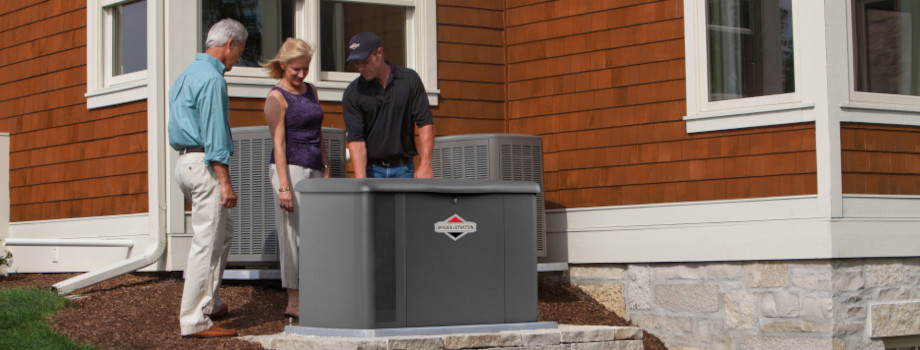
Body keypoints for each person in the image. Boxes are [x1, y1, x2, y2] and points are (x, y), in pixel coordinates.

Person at [168, 18, 247, 338]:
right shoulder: (213, 80)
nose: (238, 58)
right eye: (239, 50)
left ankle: (210, 302)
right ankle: (194, 320)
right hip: (204, 165)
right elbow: (214, 135)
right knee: (205, 241)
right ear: (229, 44)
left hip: (184, 162)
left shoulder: (185, 74)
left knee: (221, 232)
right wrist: (224, 181)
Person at [260, 38, 330, 318]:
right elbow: (279, 144)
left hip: (313, 168)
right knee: (292, 236)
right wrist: (284, 186)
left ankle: (312, 291)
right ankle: (294, 301)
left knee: (313, 233)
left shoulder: (311, 90)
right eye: (296, 69)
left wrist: (325, 165)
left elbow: (318, 130)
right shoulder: (276, 98)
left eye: (306, 68)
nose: (301, 75)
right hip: (289, 169)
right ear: (283, 65)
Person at [342, 32, 434, 178]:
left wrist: (425, 165)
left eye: (365, 61)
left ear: (379, 53)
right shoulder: (353, 93)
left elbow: (425, 123)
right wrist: (361, 182)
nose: (361, 68)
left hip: (405, 168)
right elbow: (356, 141)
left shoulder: (409, 79)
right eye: (357, 64)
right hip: (372, 171)